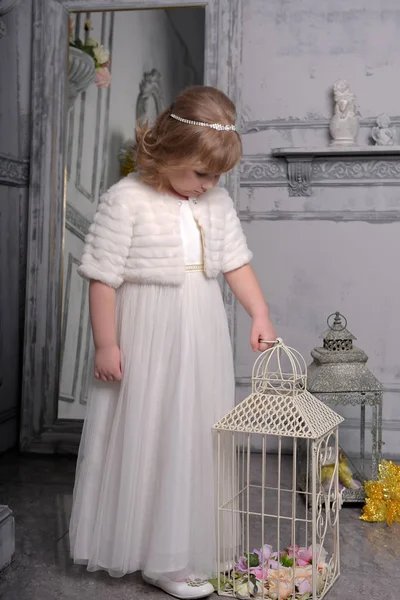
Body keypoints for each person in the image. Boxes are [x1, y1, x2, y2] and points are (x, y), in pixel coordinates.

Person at [69, 85, 277, 599]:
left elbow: (235, 261)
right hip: (147, 328)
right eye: (200, 173)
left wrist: (260, 311)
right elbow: (102, 277)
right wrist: (106, 344)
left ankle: (182, 545)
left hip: (200, 325)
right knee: (151, 428)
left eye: (216, 177)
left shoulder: (216, 201)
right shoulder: (127, 198)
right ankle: (153, 554)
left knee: (195, 428)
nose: (208, 185)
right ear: (167, 151)